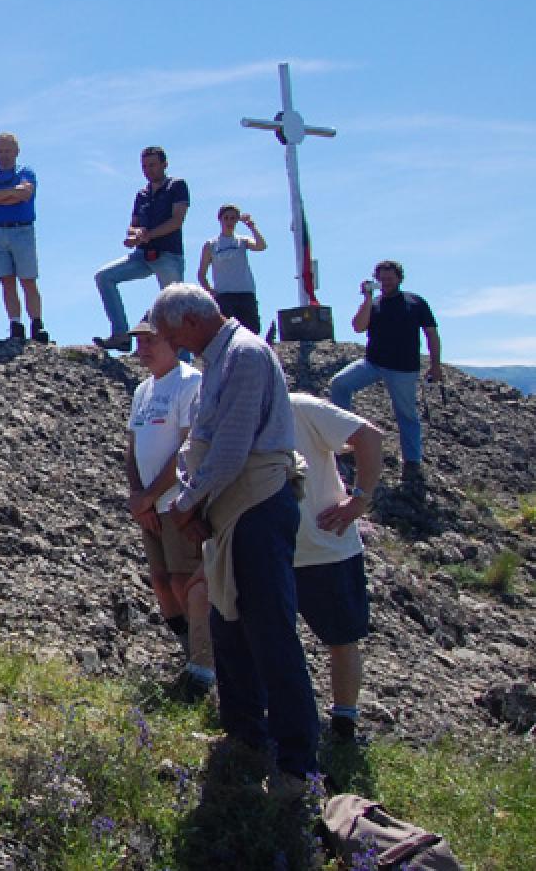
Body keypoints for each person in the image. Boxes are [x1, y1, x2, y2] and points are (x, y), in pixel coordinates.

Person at [151, 283, 318, 789]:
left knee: (269, 629)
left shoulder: (246, 355)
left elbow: (231, 447)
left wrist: (184, 504)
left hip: (258, 504)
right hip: (227, 508)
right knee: (228, 623)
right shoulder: (216, 364)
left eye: (168, 332)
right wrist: (191, 497)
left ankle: (296, 764)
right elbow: (196, 445)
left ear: (191, 322)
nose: (167, 341)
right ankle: (245, 735)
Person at [123, 313, 212, 701]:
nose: (142, 349)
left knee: (183, 578)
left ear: (172, 342)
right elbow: (132, 446)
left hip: (177, 501)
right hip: (149, 505)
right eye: (138, 342)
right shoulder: (143, 390)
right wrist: (137, 494)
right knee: (160, 580)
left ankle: (205, 661)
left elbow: (188, 447)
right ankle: (187, 647)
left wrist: (152, 494)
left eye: (150, 341)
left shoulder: (190, 383)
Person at [288, 393, 381, 743]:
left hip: (325, 548)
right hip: (271, 550)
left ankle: (344, 722)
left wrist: (359, 500)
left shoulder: (299, 407)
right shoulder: (235, 409)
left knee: (341, 638)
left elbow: (368, 436)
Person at [330, 260, 441, 481]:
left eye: (390, 279)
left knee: (406, 414)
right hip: (373, 363)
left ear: (399, 279)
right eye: (382, 279)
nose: (386, 283)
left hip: (403, 368)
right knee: (339, 383)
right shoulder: (374, 304)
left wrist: (435, 365)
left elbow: (431, 333)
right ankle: (344, 439)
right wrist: (367, 299)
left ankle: (412, 461)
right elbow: (358, 326)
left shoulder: (415, 302)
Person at [94, 147, 189, 352]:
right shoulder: (142, 194)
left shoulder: (177, 186)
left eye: (152, 165)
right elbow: (133, 225)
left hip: (168, 255)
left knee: (173, 304)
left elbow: (177, 221)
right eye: (144, 166)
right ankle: (121, 334)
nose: (148, 170)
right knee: (104, 276)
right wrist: (134, 236)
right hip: (142, 255)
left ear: (164, 164)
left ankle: (183, 360)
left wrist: (148, 235)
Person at [0, 133, 47, 343]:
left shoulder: (26, 172)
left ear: (16, 152)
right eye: (0, 151)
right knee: (6, 281)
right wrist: (10, 196)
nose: (4, 156)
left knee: (28, 280)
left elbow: (25, 193)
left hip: (21, 230)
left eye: (7, 151)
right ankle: (15, 323)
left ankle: (36, 323)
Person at [196, 204, 267, 334]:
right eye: (226, 218)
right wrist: (211, 291)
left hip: (245, 293)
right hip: (224, 296)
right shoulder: (211, 245)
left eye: (233, 218)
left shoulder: (242, 241)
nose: (229, 221)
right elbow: (201, 274)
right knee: (227, 333)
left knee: (251, 331)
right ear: (220, 219)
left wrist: (252, 226)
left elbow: (261, 246)